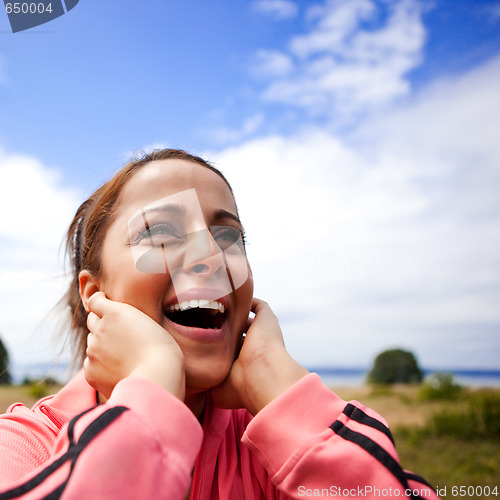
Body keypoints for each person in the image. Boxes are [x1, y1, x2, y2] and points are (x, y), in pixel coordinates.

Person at [0, 149, 439, 499]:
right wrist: (152, 382)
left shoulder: (279, 445)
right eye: (162, 233)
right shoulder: (23, 447)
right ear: (94, 293)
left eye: (229, 238)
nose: (212, 257)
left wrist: (276, 380)